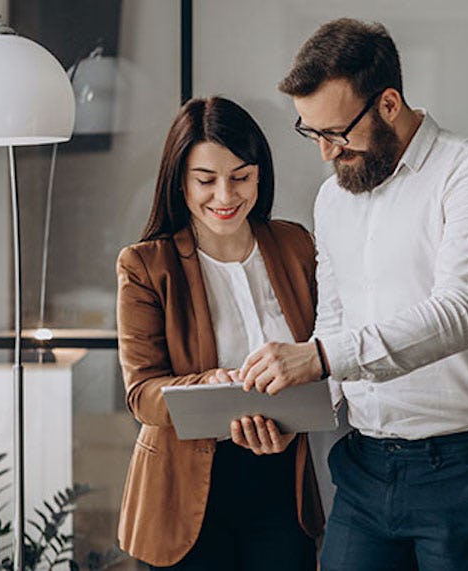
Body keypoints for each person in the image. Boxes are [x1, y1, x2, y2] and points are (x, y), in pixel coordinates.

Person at [229, 18, 468, 570]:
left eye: (336, 133)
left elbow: (455, 315)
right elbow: (336, 323)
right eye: (312, 134)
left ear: (389, 103)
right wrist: (289, 410)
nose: (325, 153)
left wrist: (319, 358)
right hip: (366, 468)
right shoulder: (334, 200)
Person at [115, 96, 323, 570]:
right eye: (206, 180)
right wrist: (208, 386)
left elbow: (322, 352)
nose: (225, 197)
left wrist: (292, 419)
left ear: (259, 175)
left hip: (280, 486)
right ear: (179, 182)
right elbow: (143, 394)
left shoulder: (294, 245)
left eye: (241, 177)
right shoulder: (147, 265)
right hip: (181, 496)